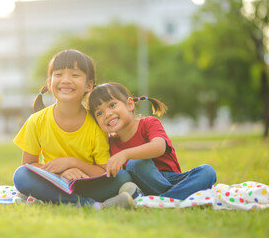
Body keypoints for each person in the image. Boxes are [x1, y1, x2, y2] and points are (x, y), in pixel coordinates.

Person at [12, 50, 134, 209]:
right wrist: (61, 173)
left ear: (89, 85)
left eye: (75, 75)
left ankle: (49, 198)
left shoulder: (95, 125)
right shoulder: (36, 121)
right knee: (21, 176)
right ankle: (91, 205)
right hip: (54, 182)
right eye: (59, 74)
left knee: (122, 177)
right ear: (50, 83)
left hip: (86, 183)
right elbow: (29, 165)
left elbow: (103, 171)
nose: (66, 80)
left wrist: (72, 163)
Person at [88, 82, 217, 201]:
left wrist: (125, 154)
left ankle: (162, 200)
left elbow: (159, 147)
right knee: (129, 171)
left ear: (129, 105)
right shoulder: (109, 143)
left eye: (112, 105)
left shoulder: (149, 123)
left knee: (207, 172)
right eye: (99, 113)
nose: (107, 114)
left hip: (171, 180)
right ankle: (171, 199)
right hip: (142, 186)